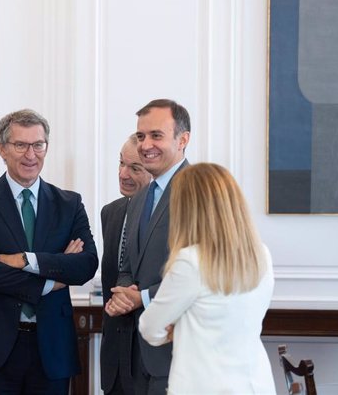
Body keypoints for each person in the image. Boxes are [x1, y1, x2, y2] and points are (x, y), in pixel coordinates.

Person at [0, 109, 99, 395]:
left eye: (38, 145)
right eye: (20, 145)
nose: (30, 155)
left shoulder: (69, 204)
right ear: (2, 149)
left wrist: (27, 261)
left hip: (52, 349)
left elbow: (86, 265)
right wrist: (53, 279)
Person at [139, 163, 276, 394]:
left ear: (189, 208)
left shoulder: (190, 261)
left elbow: (150, 327)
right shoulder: (261, 254)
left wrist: (178, 329)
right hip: (255, 385)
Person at [105, 99, 191, 395]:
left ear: (183, 140)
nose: (145, 144)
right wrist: (124, 295)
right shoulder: (141, 196)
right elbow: (129, 265)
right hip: (135, 358)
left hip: (178, 355)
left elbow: (203, 273)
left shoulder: (198, 192)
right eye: (141, 136)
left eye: (156, 135)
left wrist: (141, 297)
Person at [100, 134, 151, 394]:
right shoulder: (110, 212)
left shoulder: (169, 216)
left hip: (150, 357)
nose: (123, 174)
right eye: (121, 164)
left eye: (134, 168)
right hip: (114, 359)